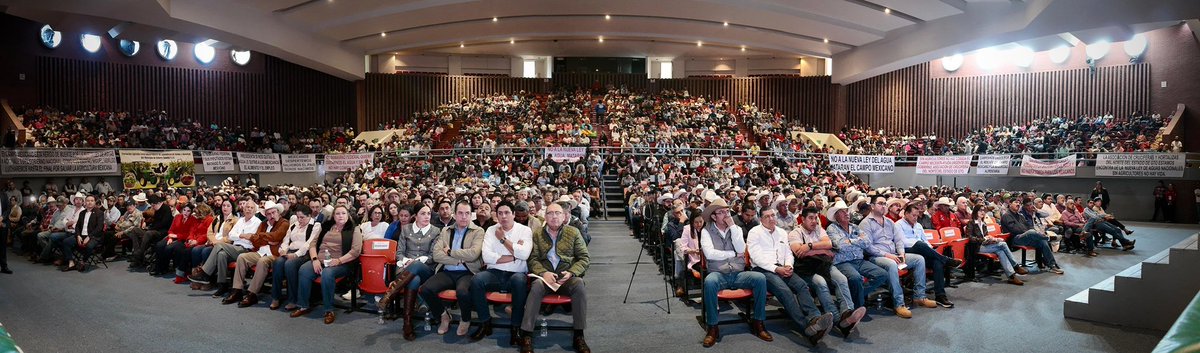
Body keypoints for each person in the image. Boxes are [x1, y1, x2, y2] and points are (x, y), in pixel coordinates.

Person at [748, 207, 833, 345]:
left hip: (783, 268)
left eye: (773, 215)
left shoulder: (781, 232)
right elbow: (756, 257)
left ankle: (815, 318)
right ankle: (807, 327)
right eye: (767, 216)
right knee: (785, 291)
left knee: (802, 285)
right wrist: (776, 269)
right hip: (763, 269)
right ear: (760, 219)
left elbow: (788, 253)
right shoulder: (755, 232)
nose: (771, 218)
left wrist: (788, 265)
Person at [516, 202, 591, 353]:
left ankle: (579, 335)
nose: (554, 216)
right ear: (545, 216)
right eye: (550, 213)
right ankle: (527, 334)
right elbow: (532, 259)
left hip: (566, 277)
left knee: (579, 284)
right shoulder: (537, 234)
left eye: (558, 213)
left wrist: (571, 272)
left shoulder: (573, 232)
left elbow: (584, 258)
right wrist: (543, 273)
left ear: (564, 216)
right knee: (536, 286)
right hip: (545, 277)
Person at [697, 198, 772, 348]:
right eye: (721, 212)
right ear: (714, 216)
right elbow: (710, 254)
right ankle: (712, 327)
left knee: (760, 278)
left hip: (738, 273)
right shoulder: (706, 231)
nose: (726, 215)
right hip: (719, 273)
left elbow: (741, 249)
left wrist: (732, 227)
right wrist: (732, 254)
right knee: (709, 282)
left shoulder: (735, 228)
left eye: (727, 211)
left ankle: (759, 322)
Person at [790, 207, 865, 336]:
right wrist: (823, 250)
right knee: (821, 283)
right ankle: (837, 319)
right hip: (807, 269)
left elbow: (829, 244)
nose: (814, 221)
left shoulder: (819, 229)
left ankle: (847, 312)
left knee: (841, 279)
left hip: (823, 265)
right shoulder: (795, 233)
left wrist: (809, 246)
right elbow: (799, 252)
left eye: (816, 218)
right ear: (802, 219)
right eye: (810, 218)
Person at [468, 201, 533, 344]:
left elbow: (524, 254)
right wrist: (514, 254)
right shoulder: (491, 230)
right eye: (500, 213)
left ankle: (516, 327)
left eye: (507, 213)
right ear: (496, 215)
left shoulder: (524, 230)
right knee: (476, 280)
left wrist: (503, 240)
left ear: (514, 214)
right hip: (495, 272)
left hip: (516, 273)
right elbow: (487, 257)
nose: (503, 216)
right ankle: (485, 322)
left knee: (519, 282)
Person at [419, 201, 485, 337]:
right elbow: (437, 255)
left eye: (467, 213)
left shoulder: (478, 231)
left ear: (471, 215)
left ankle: (465, 319)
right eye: (460, 213)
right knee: (425, 289)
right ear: (455, 214)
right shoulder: (446, 230)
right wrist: (457, 260)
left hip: (468, 271)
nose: (464, 217)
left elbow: (473, 254)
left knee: (462, 292)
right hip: (448, 271)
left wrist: (449, 252)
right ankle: (444, 315)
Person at [378, 204, 441, 340]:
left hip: (426, 269)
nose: (427, 216)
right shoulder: (406, 229)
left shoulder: (436, 231)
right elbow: (399, 253)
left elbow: (433, 256)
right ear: (415, 216)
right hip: (405, 268)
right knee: (414, 279)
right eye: (423, 213)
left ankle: (389, 295)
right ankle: (407, 323)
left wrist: (416, 261)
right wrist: (406, 261)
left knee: (417, 266)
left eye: (429, 214)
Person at [861, 196, 930, 318]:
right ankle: (899, 304)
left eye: (885, 204)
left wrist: (901, 253)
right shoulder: (865, 223)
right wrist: (888, 255)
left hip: (894, 254)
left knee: (919, 259)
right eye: (880, 203)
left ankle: (920, 296)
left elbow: (899, 240)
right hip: (876, 257)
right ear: (872, 206)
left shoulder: (889, 222)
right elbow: (868, 247)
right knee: (892, 264)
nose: (883, 206)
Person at [292, 206, 361, 324]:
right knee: (304, 270)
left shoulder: (354, 229)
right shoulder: (326, 227)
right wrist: (314, 259)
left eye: (343, 213)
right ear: (333, 216)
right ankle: (303, 306)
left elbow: (355, 251)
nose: (340, 216)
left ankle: (328, 310)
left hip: (342, 263)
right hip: (320, 260)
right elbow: (313, 244)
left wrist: (338, 261)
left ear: (348, 215)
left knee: (327, 273)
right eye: (337, 213)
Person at [824, 201, 887, 319]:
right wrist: (858, 241)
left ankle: (857, 296)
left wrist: (850, 241)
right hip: (843, 262)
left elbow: (867, 242)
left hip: (859, 260)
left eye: (847, 210)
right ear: (836, 216)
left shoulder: (854, 227)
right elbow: (840, 246)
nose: (846, 213)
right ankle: (858, 306)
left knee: (882, 274)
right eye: (842, 211)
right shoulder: (832, 228)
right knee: (855, 277)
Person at [189, 199, 262, 297]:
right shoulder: (241, 220)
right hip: (234, 248)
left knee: (219, 245)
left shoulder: (257, 222)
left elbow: (251, 239)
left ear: (255, 210)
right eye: (247, 207)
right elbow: (231, 235)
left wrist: (239, 236)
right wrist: (242, 236)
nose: (249, 209)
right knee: (221, 254)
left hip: (246, 250)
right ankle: (222, 285)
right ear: (244, 209)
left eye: (251, 208)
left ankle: (205, 273)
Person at [223, 201, 289, 307]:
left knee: (262, 261)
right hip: (260, 251)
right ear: (265, 215)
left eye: (273, 212)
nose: (271, 216)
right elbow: (255, 241)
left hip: (274, 254)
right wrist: (267, 239)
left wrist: (261, 236)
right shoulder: (263, 224)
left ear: (278, 212)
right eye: (268, 214)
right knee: (242, 257)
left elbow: (276, 236)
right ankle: (237, 290)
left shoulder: (284, 223)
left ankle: (252, 294)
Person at [894, 204, 960, 308]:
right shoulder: (898, 225)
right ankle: (946, 260)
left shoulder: (918, 225)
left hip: (922, 250)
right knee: (920, 244)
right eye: (913, 215)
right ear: (906, 214)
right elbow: (902, 242)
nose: (915, 218)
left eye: (917, 215)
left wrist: (930, 250)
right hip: (906, 251)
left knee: (937, 262)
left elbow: (925, 241)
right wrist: (921, 244)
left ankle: (940, 295)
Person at [270, 205, 321, 311]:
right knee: (278, 262)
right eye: (298, 217)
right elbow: (286, 239)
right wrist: (283, 250)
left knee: (290, 264)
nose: (299, 220)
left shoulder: (316, 225)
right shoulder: (294, 225)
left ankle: (293, 299)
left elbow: (309, 244)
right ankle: (276, 297)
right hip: (290, 251)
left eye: (302, 217)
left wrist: (295, 255)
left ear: (309, 216)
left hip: (305, 253)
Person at [963, 206, 1026, 285]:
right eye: (980, 210)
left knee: (1001, 251)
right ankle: (1016, 266)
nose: (982, 212)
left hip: (985, 245)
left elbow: (986, 236)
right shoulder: (971, 223)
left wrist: (993, 239)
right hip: (977, 247)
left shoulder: (983, 223)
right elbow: (970, 238)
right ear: (975, 212)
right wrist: (983, 239)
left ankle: (1011, 276)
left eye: (984, 210)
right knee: (1003, 244)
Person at [1000, 199, 1063, 274]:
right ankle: (1049, 238)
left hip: (1025, 237)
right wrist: (1028, 232)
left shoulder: (1020, 216)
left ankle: (1052, 265)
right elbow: (1014, 230)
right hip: (1014, 238)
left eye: (1019, 203)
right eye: (1016, 202)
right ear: (1010, 204)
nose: (1018, 204)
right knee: (1031, 232)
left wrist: (1035, 232)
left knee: (1042, 241)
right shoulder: (1006, 216)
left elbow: (1029, 226)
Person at [150, 203, 202, 277]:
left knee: (169, 247)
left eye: (188, 211)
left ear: (191, 212)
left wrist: (177, 236)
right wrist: (170, 238)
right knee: (159, 245)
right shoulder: (177, 217)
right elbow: (171, 230)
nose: (185, 212)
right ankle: (159, 268)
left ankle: (165, 267)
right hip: (172, 237)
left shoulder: (193, 220)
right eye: (184, 210)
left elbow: (190, 234)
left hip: (183, 240)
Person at [60, 195, 103, 272]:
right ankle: (71, 262)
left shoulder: (99, 213)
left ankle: (83, 261)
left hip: (93, 236)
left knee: (89, 246)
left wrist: (89, 237)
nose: (90, 202)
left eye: (92, 201)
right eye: (88, 201)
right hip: (81, 235)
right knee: (66, 242)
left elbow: (99, 228)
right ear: (85, 202)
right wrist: (78, 235)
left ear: (94, 202)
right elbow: (77, 226)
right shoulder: (82, 213)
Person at [127, 195, 173, 268]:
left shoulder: (166, 209)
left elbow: (164, 223)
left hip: (162, 232)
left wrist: (150, 228)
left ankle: (139, 255)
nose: (152, 207)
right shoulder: (157, 209)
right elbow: (154, 220)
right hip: (154, 230)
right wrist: (146, 223)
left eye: (153, 205)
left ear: (158, 203)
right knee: (135, 230)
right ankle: (137, 252)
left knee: (148, 233)